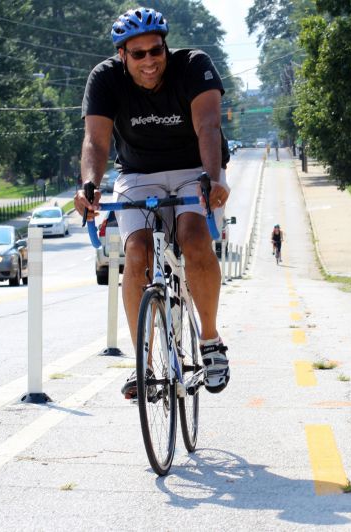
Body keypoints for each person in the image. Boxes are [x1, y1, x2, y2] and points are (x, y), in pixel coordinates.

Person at [74, 7, 231, 398]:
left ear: (166, 46)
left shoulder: (193, 66)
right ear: (122, 55)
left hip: (196, 166)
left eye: (156, 51)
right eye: (138, 53)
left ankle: (210, 342)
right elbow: (96, 141)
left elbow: (208, 125)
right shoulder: (105, 78)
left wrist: (212, 179)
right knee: (138, 252)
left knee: (194, 237)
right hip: (137, 174)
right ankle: (141, 365)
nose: (149, 61)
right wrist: (90, 186)